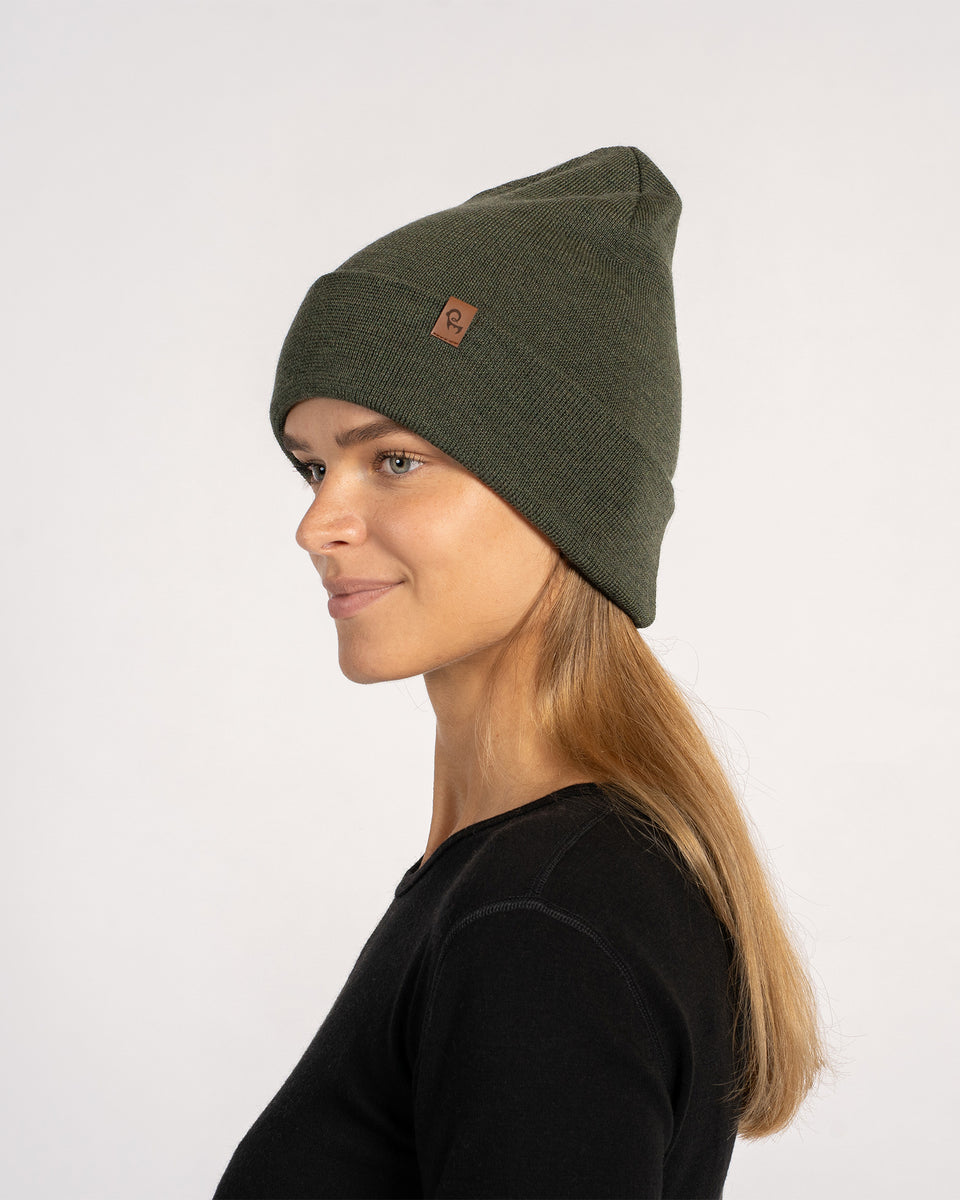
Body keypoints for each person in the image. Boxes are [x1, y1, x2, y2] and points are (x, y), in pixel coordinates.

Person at [212, 145, 826, 1199]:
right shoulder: (526, 884)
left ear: (564, 497)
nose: (317, 524)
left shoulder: (540, 924)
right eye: (314, 466)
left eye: (394, 460)